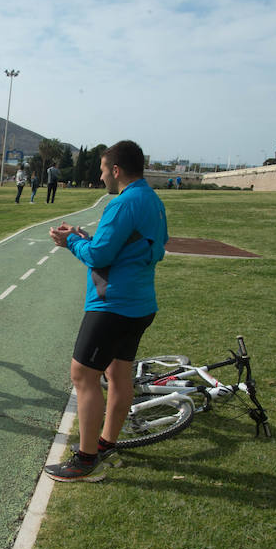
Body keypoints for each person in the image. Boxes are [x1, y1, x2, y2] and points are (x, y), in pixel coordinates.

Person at [46, 140, 168, 482]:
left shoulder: (123, 203)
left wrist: (70, 241)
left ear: (116, 170)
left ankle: (86, 460)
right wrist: (86, 236)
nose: (101, 177)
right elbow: (146, 246)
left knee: (83, 376)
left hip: (113, 305)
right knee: (118, 374)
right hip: (141, 305)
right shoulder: (154, 202)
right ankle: (105, 444)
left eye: (102, 170)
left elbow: (99, 256)